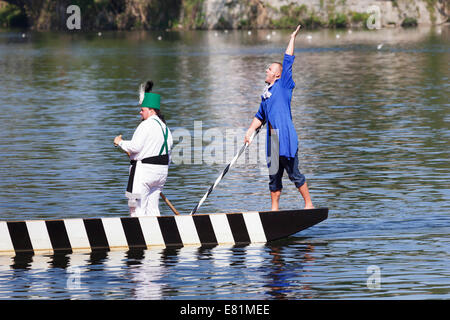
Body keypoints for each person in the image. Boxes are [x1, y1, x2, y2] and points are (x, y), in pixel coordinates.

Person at [244, 25, 314, 211]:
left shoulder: (284, 85)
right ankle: (274, 210)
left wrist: (292, 38)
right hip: (272, 141)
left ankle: (308, 204)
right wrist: (250, 131)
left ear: (277, 74)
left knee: (294, 174)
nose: (266, 71)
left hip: (286, 138)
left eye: (269, 69)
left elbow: (288, 60)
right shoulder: (266, 94)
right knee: (274, 177)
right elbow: (260, 116)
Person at [114, 81, 173, 216]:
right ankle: (157, 234)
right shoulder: (166, 129)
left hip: (143, 173)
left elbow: (135, 146)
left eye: (143, 109)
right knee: (153, 209)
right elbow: (167, 153)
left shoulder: (145, 125)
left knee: (135, 208)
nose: (140, 112)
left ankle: (137, 235)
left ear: (151, 110)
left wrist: (120, 142)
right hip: (161, 173)